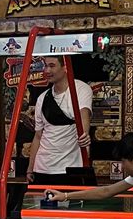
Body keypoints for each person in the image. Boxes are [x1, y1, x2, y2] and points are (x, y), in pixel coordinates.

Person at [27, 56, 93, 185]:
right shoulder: (42, 98)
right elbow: (38, 136)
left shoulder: (81, 89)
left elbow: (84, 114)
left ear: (65, 67)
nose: (47, 70)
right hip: (42, 167)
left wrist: (84, 134)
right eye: (45, 66)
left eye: (52, 66)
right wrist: (30, 169)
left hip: (70, 166)